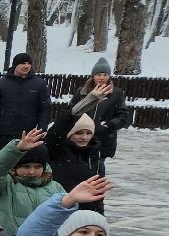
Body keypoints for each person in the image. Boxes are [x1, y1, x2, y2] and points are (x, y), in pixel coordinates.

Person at [0, 53, 51, 214]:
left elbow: (45, 109)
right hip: (2, 134)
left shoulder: (39, 84)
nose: (26, 66)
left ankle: (29, 197)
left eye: (29, 63)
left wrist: (42, 129)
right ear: (15, 65)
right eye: (23, 63)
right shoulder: (1, 84)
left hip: (29, 134)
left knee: (29, 168)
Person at [46, 76, 122, 213]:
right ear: (70, 134)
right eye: (79, 133)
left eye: (88, 133)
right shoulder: (57, 150)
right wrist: (88, 101)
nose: (84, 137)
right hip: (62, 210)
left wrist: (98, 217)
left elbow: (96, 193)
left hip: (85, 214)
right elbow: (60, 126)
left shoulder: (94, 153)